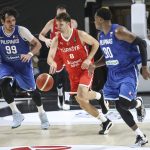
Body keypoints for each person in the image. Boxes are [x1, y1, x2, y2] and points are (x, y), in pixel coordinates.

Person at [89, 7, 150, 146]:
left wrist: (144, 67)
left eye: (95, 19)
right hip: (113, 74)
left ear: (100, 19)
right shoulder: (101, 36)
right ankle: (140, 136)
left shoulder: (118, 31)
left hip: (127, 71)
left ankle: (138, 103)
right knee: (119, 106)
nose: (94, 22)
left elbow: (142, 43)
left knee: (125, 103)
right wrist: (94, 65)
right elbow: (107, 56)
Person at [47, 12, 113, 134]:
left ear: (68, 24)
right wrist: (53, 63)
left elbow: (96, 44)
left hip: (85, 69)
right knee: (82, 103)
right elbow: (49, 57)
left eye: (61, 24)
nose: (58, 27)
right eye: (57, 25)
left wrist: (89, 59)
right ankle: (105, 121)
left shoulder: (80, 34)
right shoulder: (56, 39)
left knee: (82, 94)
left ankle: (100, 96)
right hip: (72, 73)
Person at [0, 7, 50, 129]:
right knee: (4, 83)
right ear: (2, 21)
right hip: (7, 64)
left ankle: (42, 113)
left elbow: (38, 44)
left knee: (32, 91)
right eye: (8, 21)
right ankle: (16, 113)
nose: (11, 23)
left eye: (13, 20)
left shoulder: (21, 31)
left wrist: (29, 54)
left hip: (23, 65)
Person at [39, 4, 77, 110]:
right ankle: (60, 95)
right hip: (56, 52)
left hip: (68, 51)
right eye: (59, 15)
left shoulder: (72, 23)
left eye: (63, 14)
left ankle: (67, 99)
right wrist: (46, 40)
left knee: (69, 74)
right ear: (56, 15)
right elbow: (41, 35)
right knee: (60, 75)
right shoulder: (51, 23)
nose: (61, 17)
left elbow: (75, 37)